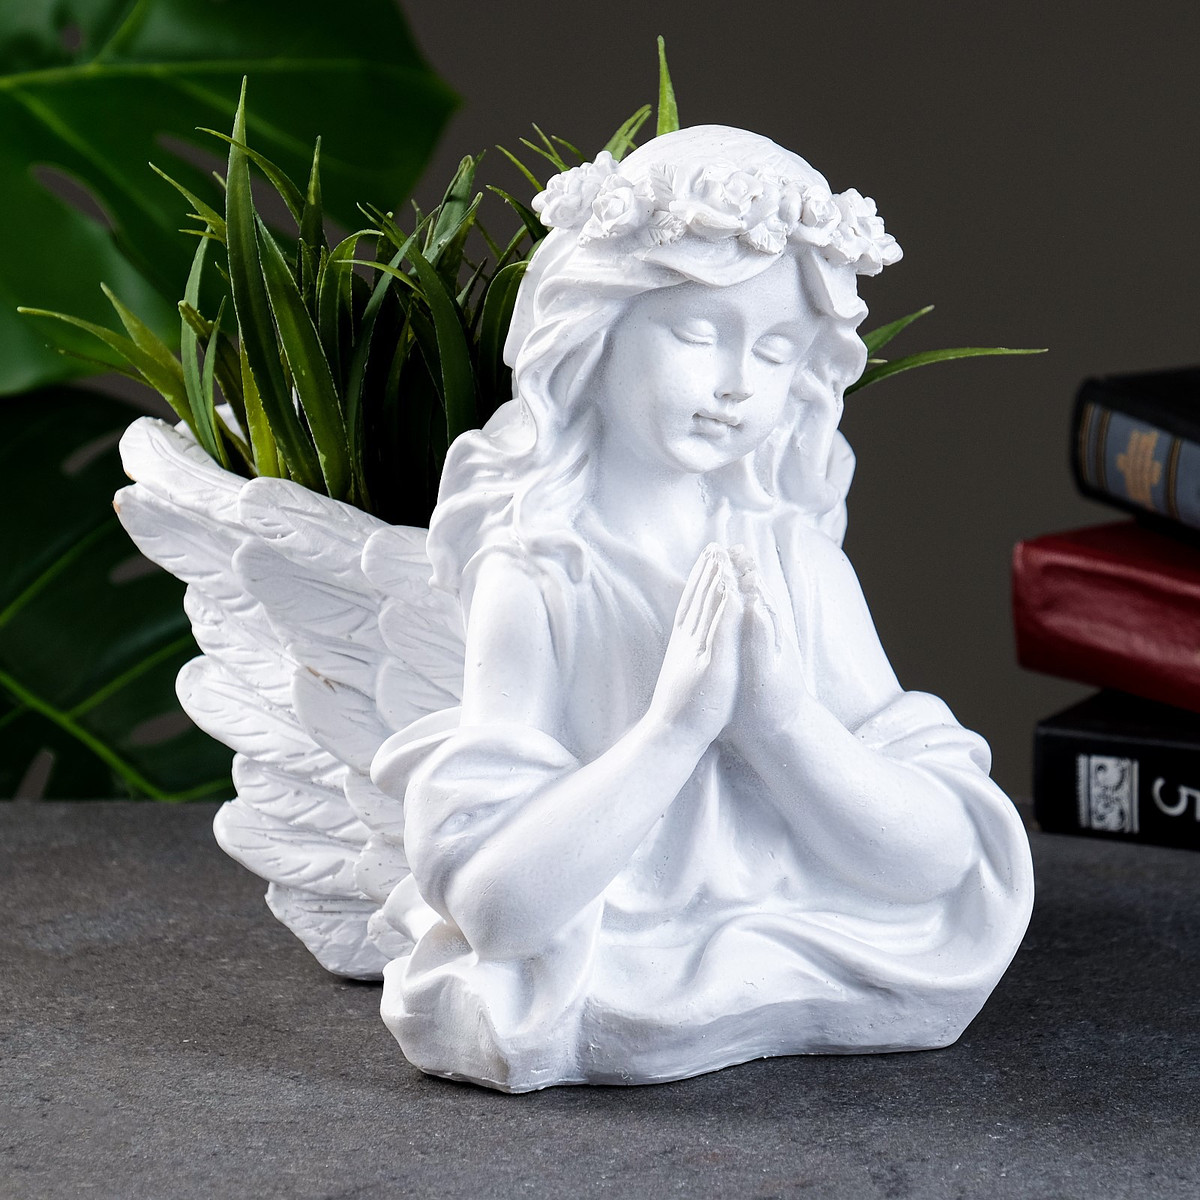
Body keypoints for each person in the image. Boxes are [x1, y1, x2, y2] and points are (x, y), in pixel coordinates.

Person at [369, 126, 1034, 1092]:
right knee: (507, 987)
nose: (737, 384)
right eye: (695, 333)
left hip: (799, 939)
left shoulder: (796, 564)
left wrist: (781, 723)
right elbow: (497, 911)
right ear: (595, 334)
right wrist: (675, 730)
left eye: (776, 349)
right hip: (624, 951)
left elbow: (937, 859)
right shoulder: (542, 573)